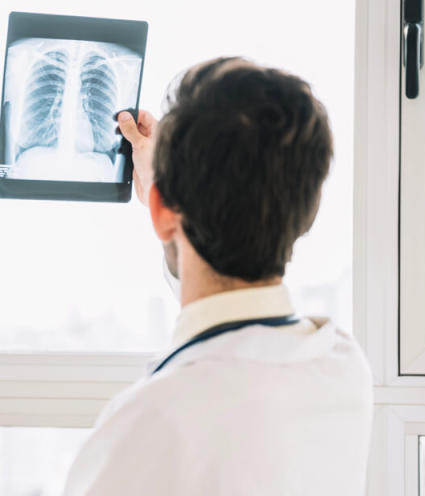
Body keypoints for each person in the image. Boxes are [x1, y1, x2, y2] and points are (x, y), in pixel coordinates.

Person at [62, 57, 373, 495]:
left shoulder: (149, 423)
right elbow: (233, 326)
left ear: (163, 212)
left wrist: (166, 204)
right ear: (306, 211)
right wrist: (163, 199)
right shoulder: (343, 369)